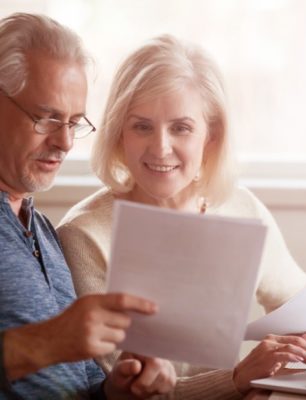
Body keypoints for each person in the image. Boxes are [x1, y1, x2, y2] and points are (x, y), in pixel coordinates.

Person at [57, 35, 306, 398]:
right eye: (142, 126)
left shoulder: (240, 208)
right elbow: (124, 389)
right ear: (118, 134)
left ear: (211, 136)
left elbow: (298, 297)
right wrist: (238, 378)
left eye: (181, 127)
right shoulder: (84, 236)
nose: (160, 147)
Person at [0, 13, 177, 399]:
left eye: (74, 122)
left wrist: (117, 389)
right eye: (47, 118)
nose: (65, 142)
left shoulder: (43, 230)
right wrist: (42, 343)